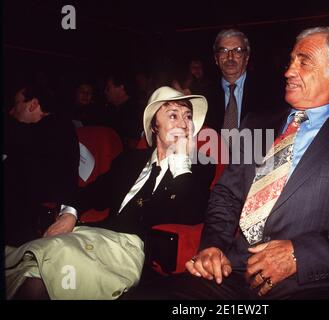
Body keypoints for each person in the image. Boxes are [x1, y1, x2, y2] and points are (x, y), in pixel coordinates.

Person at [136, 27, 329, 300]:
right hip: (230, 272)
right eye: (291, 61)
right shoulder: (256, 124)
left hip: (304, 284)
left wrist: (298, 254)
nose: (289, 71)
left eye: (304, 61)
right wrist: (213, 247)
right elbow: (226, 196)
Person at [5, 86, 215, 300]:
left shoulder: (198, 167)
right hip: (96, 237)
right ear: (154, 125)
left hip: (131, 251)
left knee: (45, 267)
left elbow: (194, 211)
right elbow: (92, 192)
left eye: (188, 117)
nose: (183, 123)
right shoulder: (130, 160)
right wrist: (69, 214)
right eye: (173, 115)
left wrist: (180, 163)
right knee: (33, 270)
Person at [3, 84, 79, 246]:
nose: (12, 111)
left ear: (34, 104)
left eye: (17, 103)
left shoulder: (56, 127)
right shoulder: (32, 135)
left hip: (32, 221)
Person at [205, 29, 277, 132]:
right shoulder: (204, 96)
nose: (230, 57)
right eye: (223, 51)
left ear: (246, 57)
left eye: (237, 50)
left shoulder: (269, 90)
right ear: (216, 58)